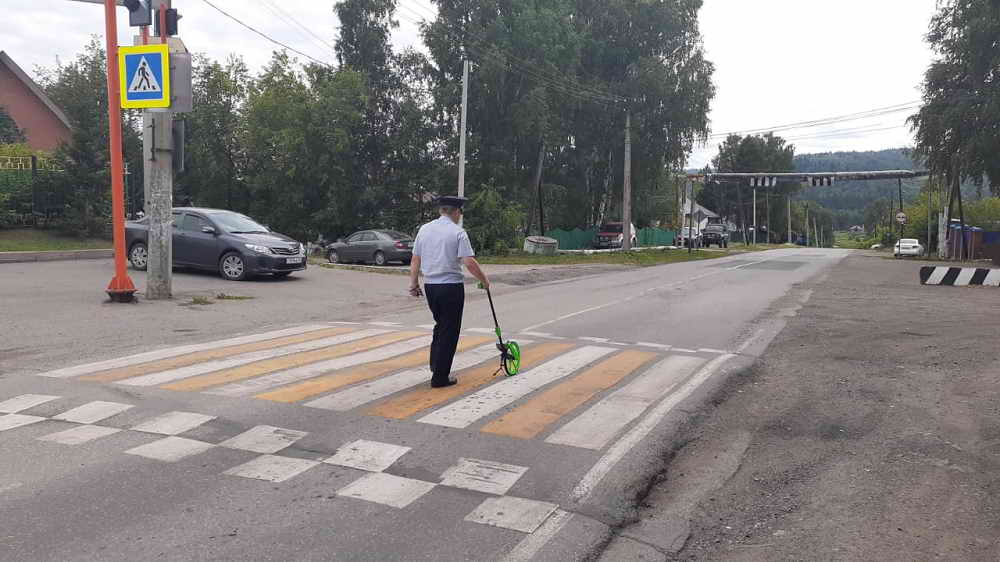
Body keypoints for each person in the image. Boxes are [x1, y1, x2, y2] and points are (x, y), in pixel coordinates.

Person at [409, 196, 491, 388]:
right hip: (451, 287)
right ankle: (440, 377)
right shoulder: (458, 232)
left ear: (441, 211)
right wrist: (485, 280)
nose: (460, 216)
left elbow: (415, 259)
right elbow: (469, 262)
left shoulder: (424, 229)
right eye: (460, 212)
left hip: (431, 287)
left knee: (440, 326)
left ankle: (435, 365)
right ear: (456, 212)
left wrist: (413, 284)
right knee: (449, 331)